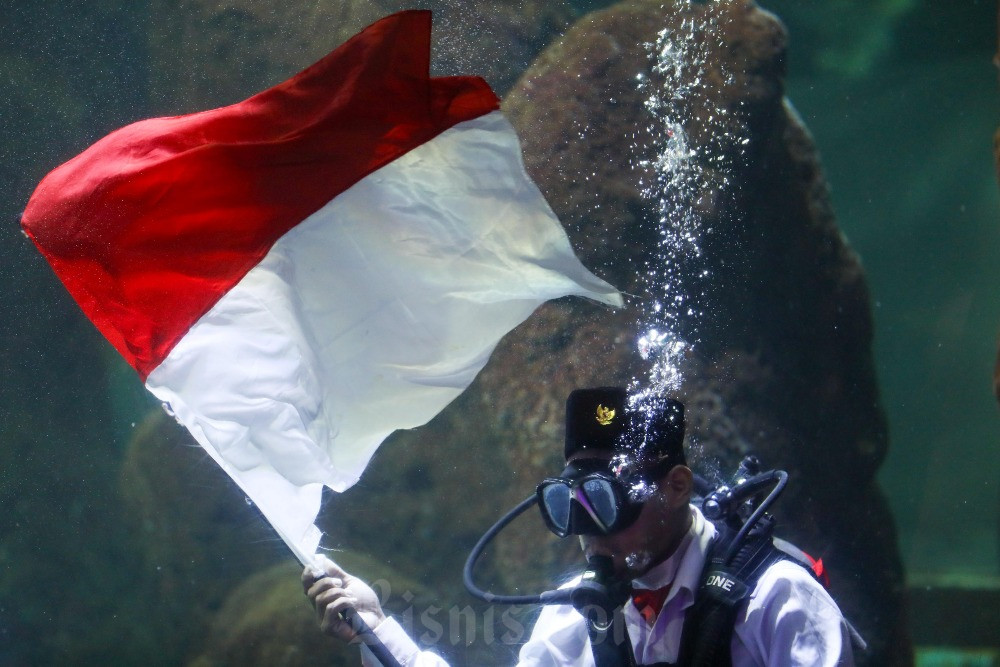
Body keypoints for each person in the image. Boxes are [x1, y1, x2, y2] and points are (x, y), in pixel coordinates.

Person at [303, 387, 856, 666]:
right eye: (570, 509)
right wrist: (377, 627)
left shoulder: (776, 599)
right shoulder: (578, 612)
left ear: (677, 488)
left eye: (606, 503)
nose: (590, 535)